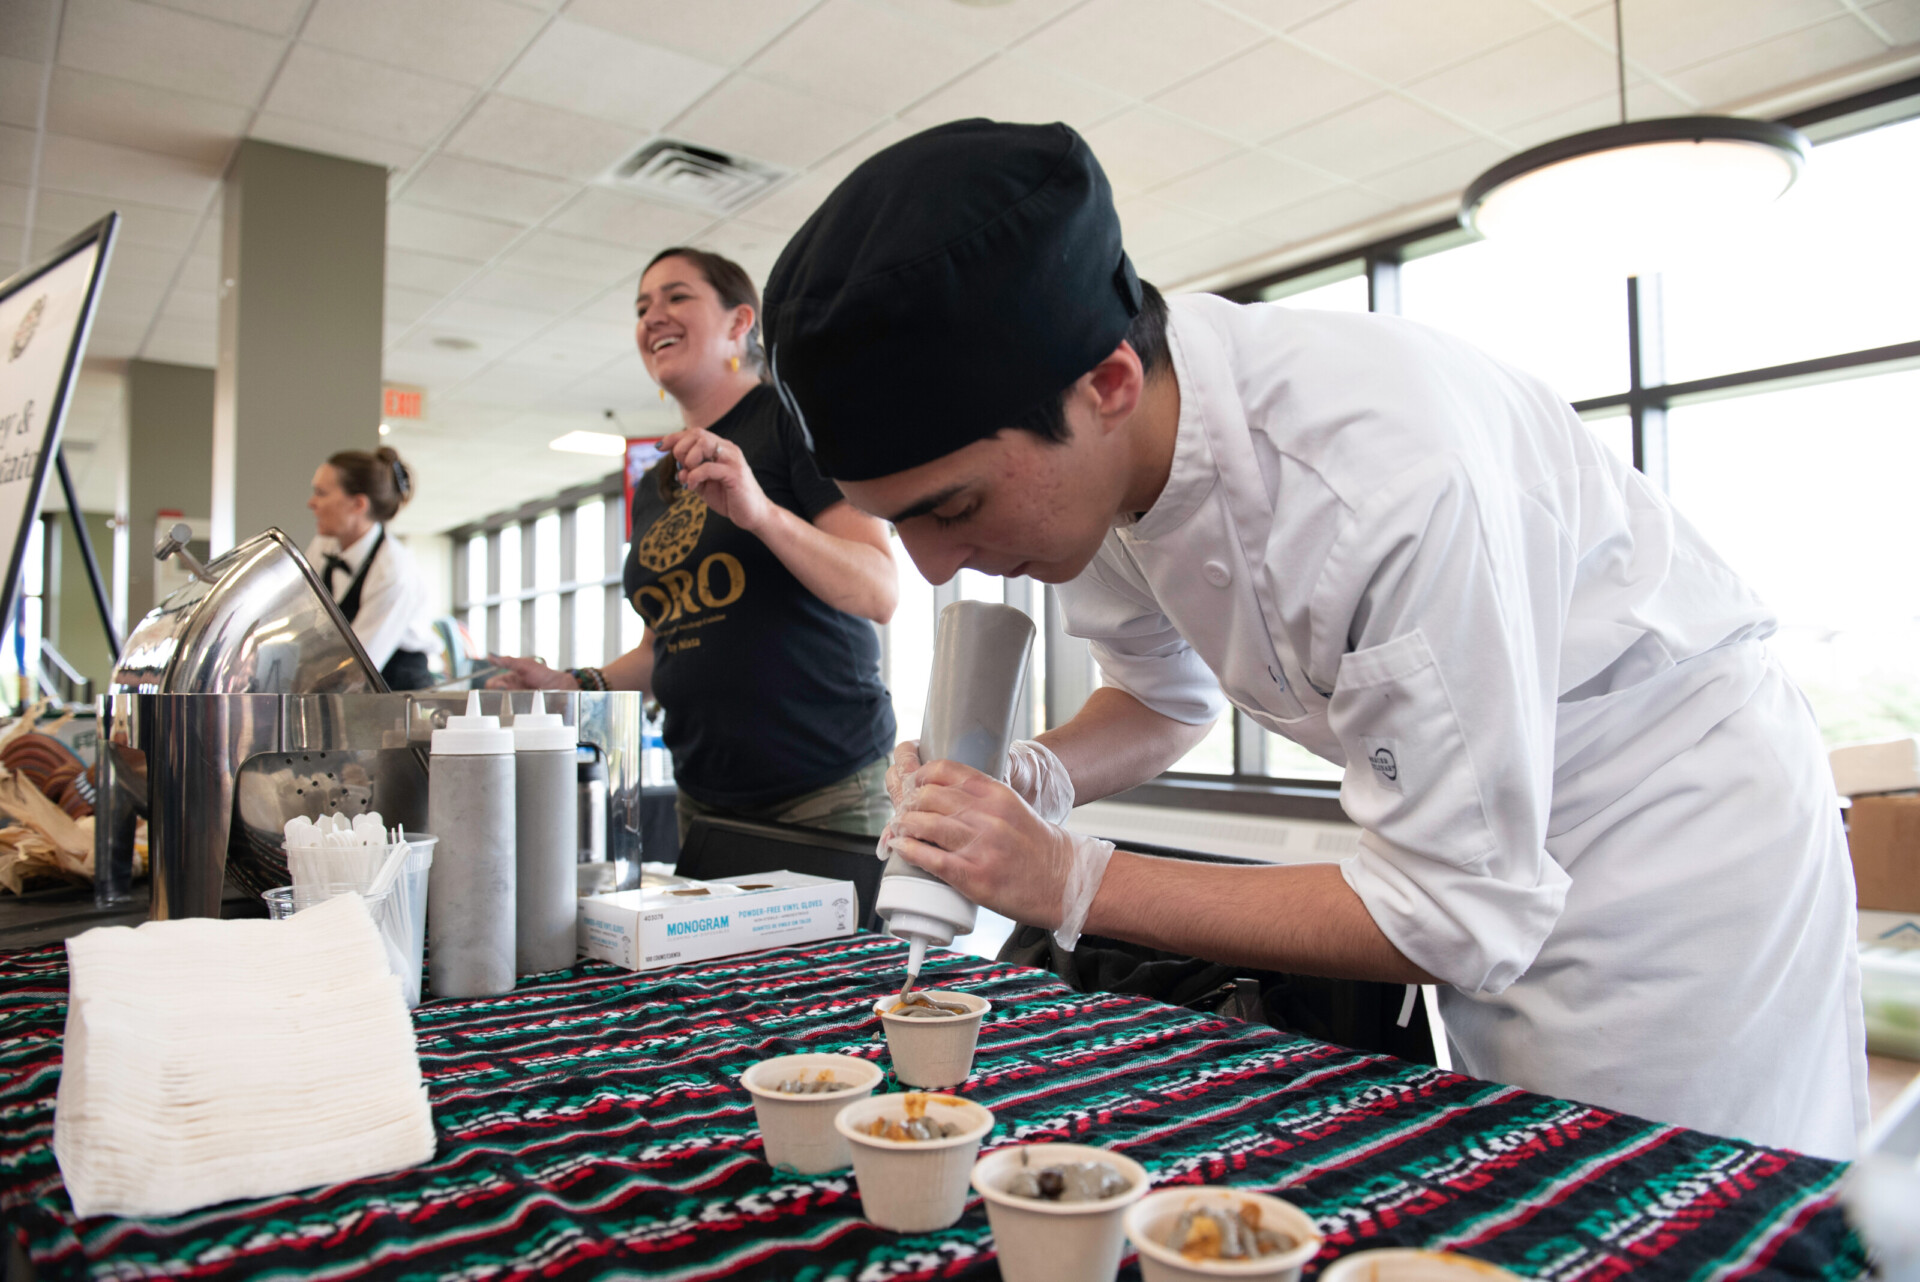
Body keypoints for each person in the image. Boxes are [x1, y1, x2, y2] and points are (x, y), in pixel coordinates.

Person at [758, 119, 1867, 1159]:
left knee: (1662, 1200)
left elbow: (1449, 909)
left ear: (1109, 385)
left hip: (1669, 843)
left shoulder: (1384, 479)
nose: (937, 567)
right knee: (1521, 1181)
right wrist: (1033, 778)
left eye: (950, 509)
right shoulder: (1098, 465)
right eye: (900, 521)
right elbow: (1163, 699)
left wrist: (1067, 880)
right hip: (1482, 864)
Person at [491, 248, 898, 840]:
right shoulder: (658, 476)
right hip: (705, 798)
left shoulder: (792, 419)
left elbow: (878, 590)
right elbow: (668, 644)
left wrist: (760, 513)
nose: (652, 316)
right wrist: (577, 685)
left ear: (740, 322)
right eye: (641, 307)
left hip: (823, 788)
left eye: (676, 296)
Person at [307, 447, 438, 691]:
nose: (311, 503)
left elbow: (360, 665)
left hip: (398, 692)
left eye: (321, 493)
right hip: (349, 685)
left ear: (358, 504)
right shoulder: (323, 545)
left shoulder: (393, 569)